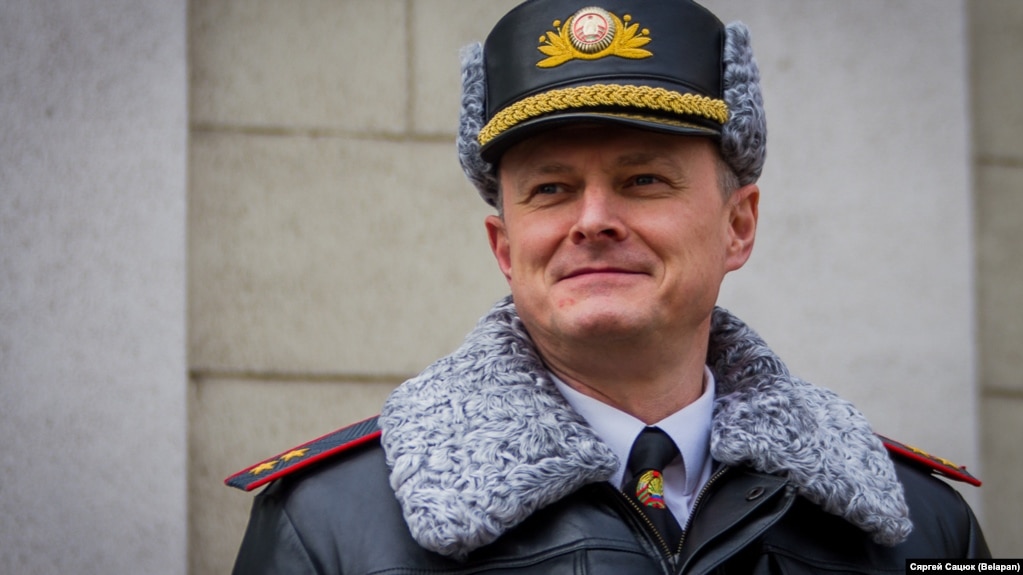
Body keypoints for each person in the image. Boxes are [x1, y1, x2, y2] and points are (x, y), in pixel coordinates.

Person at [227, 0, 990, 572]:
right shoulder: (328, 523)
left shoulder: (922, 523)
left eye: (643, 179)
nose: (592, 220)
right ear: (504, 247)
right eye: (550, 190)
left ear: (738, 225)